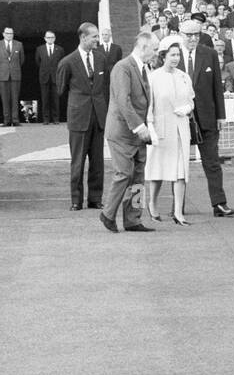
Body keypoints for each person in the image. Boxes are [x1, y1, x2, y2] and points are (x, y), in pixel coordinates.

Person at [102, 27, 159, 232]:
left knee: (137, 178)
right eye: (154, 49)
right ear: (143, 47)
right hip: (122, 132)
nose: (156, 53)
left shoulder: (143, 68)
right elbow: (123, 101)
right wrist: (140, 127)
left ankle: (133, 219)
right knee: (124, 173)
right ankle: (108, 214)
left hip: (137, 134)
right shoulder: (122, 67)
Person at [178, 17, 234, 217]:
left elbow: (216, 89)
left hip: (208, 117)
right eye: (188, 35)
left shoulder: (209, 54)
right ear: (180, 34)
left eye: (196, 34)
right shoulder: (172, 55)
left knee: (212, 162)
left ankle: (219, 203)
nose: (193, 38)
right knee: (179, 164)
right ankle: (178, 205)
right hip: (181, 119)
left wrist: (221, 116)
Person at [56, 22, 108, 210]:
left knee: (98, 161)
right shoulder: (67, 62)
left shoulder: (101, 59)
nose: (97, 39)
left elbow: (105, 88)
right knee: (77, 161)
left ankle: (95, 199)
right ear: (83, 37)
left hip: (99, 117)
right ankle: (76, 200)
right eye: (94, 36)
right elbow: (60, 90)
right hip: (79, 118)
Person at [145, 36, 195, 224]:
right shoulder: (153, 77)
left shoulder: (184, 76)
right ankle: (152, 204)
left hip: (180, 129)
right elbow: (149, 106)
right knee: (157, 171)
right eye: (172, 55)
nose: (175, 58)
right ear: (163, 56)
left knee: (181, 173)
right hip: (161, 130)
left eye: (178, 55)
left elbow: (190, 101)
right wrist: (150, 128)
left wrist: (187, 109)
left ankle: (178, 213)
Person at [0, 26, 24, 126]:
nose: (9, 35)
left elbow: (21, 60)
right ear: (3, 34)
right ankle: (6, 120)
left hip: (15, 75)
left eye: (11, 33)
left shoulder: (19, 45)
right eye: (7, 33)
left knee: (15, 98)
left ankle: (15, 120)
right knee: (4, 98)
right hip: (2, 76)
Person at [35, 29, 64, 123]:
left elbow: (62, 63)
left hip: (56, 77)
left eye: (52, 37)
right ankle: (46, 119)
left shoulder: (59, 49)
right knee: (45, 99)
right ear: (45, 38)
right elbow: (38, 62)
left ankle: (56, 119)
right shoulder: (40, 49)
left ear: (54, 38)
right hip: (44, 77)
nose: (50, 39)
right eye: (48, 37)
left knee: (56, 99)